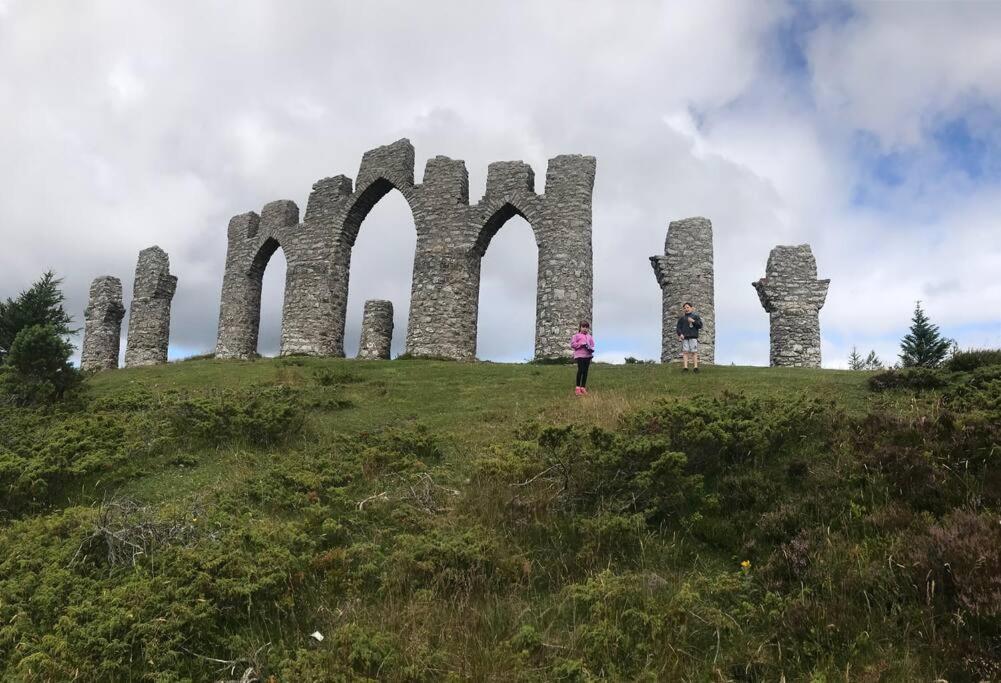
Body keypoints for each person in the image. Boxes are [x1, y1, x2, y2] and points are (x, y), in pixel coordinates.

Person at [676, 302, 703, 372]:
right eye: (684, 308)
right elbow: (678, 327)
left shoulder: (695, 316)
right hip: (685, 337)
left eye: (687, 307)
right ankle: (685, 368)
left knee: (694, 352)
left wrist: (693, 321)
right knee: (685, 352)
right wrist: (680, 334)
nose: (686, 309)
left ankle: (695, 367)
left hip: (693, 337)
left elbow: (700, 325)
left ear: (691, 308)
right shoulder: (682, 318)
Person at [570, 321, 595, 395]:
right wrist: (581, 344)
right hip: (579, 355)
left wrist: (590, 348)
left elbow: (592, 345)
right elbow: (573, 344)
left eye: (587, 327)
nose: (585, 329)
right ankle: (577, 388)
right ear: (580, 327)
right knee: (580, 370)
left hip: (587, 355)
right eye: (583, 327)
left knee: (585, 372)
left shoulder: (589, 336)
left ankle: (583, 387)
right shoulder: (576, 336)